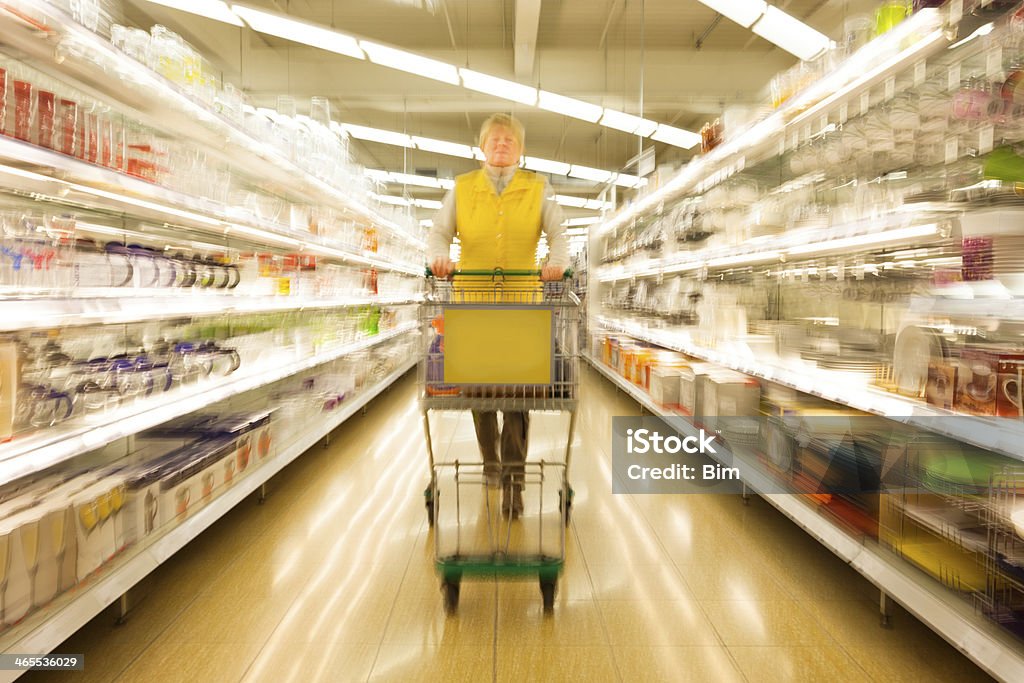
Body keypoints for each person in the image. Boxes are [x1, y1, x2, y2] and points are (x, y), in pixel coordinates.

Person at [428, 113, 569, 518]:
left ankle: (514, 481)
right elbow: (439, 232)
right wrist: (439, 256)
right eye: (495, 139)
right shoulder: (461, 188)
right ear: (482, 147)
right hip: (472, 307)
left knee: (518, 399)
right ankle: (491, 462)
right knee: (479, 395)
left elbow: (559, 232)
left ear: (521, 150)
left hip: (522, 309)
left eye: (510, 140)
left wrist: (554, 262)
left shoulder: (538, 188)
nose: (502, 144)